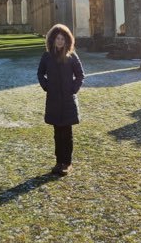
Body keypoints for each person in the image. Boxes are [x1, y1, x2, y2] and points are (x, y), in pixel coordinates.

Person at [37, 24, 85, 176]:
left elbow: (80, 75)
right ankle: (59, 162)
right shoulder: (47, 56)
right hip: (53, 100)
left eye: (62, 39)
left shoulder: (71, 56)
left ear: (67, 40)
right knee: (57, 132)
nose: (59, 41)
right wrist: (47, 86)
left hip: (68, 100)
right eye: (57, 38)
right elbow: (40, 74)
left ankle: (67, 163)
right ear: (52, 39)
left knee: (67, 132)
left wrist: (73, 89)